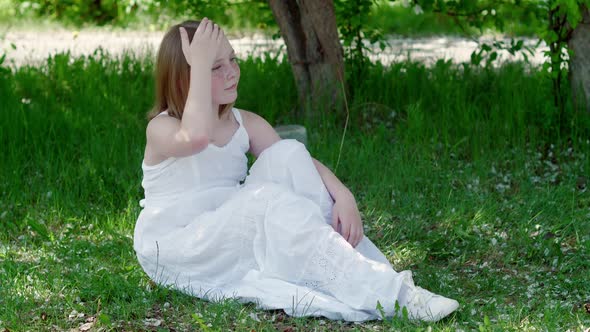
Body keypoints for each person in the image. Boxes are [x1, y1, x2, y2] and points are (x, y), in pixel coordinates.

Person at [133, 18, 459, 323]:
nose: (231, 72)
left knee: (288, 153)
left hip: (228, 228)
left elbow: (297, 164)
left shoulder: (244, 122)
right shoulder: (162, 128)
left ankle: (358, 270)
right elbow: (196, 137)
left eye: (232, 60)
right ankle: (394, 296)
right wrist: (200, 64)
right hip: (177, 245)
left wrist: (343, 195)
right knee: (264, 200)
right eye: (215, 67)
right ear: (185, 79)